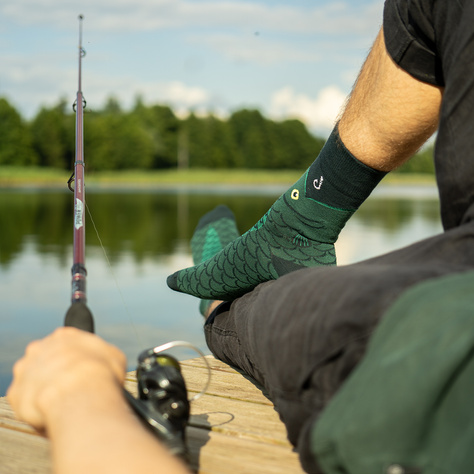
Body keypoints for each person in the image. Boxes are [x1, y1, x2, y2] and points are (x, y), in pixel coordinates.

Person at [8, 0, 474, 473]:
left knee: (289, 312)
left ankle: (219, 307)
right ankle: (301, 220)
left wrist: (78, 395)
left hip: (443, 337)